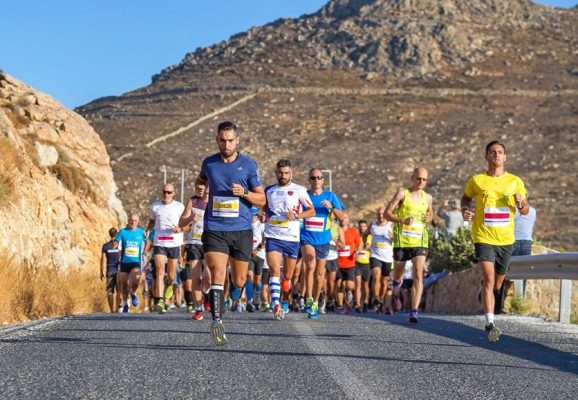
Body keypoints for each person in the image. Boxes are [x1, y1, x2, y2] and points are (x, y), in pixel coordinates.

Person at [195, 121, 265, 346]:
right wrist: (202, 189)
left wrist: (244, 193)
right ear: (217, 140)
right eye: (222, 140)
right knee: (216, 274)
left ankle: (235, 292)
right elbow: (201, 179)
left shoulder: (248, 165)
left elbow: (262, 199)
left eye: (230, 140)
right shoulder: (209, 163)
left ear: (237, 140)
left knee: (239, 280)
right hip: (215, 228)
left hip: (241, 231)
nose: (226, 144)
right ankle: (217, 322)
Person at [461, 140, 529, 343]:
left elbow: (525, 210)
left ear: (505, 157)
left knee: (498, 283)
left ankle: (486, 291)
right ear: (486, 156)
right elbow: (465, 198)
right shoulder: (477, 180)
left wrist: (521, 203)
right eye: (492, 152)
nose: (496, 155)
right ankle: (490, 324)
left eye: (500, 152)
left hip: (506, 239)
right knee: (490, 279)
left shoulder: (515, 182)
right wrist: (465, 210)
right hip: (483, 236)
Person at [264, 159, 315, 320]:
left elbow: (312, 211)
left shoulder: (299, 190)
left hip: (291, 238)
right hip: (273, 235)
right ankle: (276, 303)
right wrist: (264, 213)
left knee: (287, 276)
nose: (283, 175)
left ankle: (285, 298)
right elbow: (264, 206)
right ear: (276, 173)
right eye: (280, 173)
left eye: (286, 173)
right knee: (274, 269)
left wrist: (297, 216)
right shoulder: (269, 190)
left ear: (291, 173)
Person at [385, 167, 433, 323]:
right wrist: (402, 220)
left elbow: (430, 214)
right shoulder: (402, 193)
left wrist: (428, 217)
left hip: (420, 241)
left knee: (418, 273)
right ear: (412, 178)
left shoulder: (428, 197)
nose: (421, 182)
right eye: (418, 179)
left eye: (424, 179)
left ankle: (414, 310)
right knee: (398, 274)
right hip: (402, 241)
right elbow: (387, 213)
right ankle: (397, 282)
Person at [300, 168, 345, 319]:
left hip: (324, 240)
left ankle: (316, 302)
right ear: (309, 180)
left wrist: (331, 207)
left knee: (320, 274)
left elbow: (342, 217)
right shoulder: (304, 195)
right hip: (307, 237)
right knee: (310, 265)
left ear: (323, 180)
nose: (316, 180)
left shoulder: (330, 196)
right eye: (313, 178)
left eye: (319, 177)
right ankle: (308, 298)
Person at [146, 183, 185, 313]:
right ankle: (160, 301)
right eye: (164, 192)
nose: (166, 194)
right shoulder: (155, 206)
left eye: (169, 192)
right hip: (159, 242)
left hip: (174, 243)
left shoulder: (180, 207)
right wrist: (148, 229)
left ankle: (169, 285)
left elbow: (186, 224)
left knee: (172, 275)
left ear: (174, 193)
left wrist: (179, 228)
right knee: (159, 272)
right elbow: (152, 221)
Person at [179, 182, 209, 320]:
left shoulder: (216, 201)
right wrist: (191, 218)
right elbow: (181, 223)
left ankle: (208, 296)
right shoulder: (192, 201)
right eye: (198, 189)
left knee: (208, 277)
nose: (199, 191)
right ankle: (199, 309)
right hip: (194, 244)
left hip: (210, 243)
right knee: (195, 278)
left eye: (202, 189)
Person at [114, 214, 147, 313]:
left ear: (138, 221)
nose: (133, 222)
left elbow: (149, 242)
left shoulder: (141, 232)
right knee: (123, 284)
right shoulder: (123, 232)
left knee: (136, 279)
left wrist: (145, 251)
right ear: (128, 221)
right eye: (131, 220)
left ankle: (133, 293)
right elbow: (116, 242)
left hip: (135, 262)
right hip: (124, 262)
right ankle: (125, 304)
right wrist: (115, 245)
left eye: (135, 220)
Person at [368, 207, 394, 314]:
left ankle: (381, 300)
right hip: (375, 255)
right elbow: (365, 235)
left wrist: (392, 237)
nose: (380, 216)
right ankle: (375, 297)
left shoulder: (391, 225)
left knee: (384, 281)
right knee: (376, 276)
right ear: (376, 214)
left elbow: (396, 239)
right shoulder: (372, 225)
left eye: (382, 214)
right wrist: (366, 243)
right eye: (378, 214)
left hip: (387, 257)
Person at [335, 213, 362, 314]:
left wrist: (357, 251)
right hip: (338, 262)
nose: (343, 219)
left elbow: (360, 244)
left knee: (349, 285)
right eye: (341, 218)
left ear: (348, 220)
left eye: (345, 217)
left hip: (350, 263)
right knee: (339, 284)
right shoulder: (335, 230)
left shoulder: (353, 232)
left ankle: (348, 291)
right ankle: (340, 306)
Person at [100, 227, 121, 313]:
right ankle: (117, 308)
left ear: (109, 234)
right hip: (119, 271)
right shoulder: (119, 246)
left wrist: (101, 271)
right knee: (119, 291)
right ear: (117, 234)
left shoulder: (105, 246)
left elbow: (103, 260)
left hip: (109, 270)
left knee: (110, 291)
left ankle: (111, 310)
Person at [354, 220, 371, 313]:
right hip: (357, 263)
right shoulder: (356, 236)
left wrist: (368, 246)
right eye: (360, 226)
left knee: (365, 285)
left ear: (366, 227)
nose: (362, 228)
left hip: (367, 264)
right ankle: (357, 304)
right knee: (358, 284)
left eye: (364, 226)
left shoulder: (370, 236)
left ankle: (365, 301)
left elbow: (372, 247)